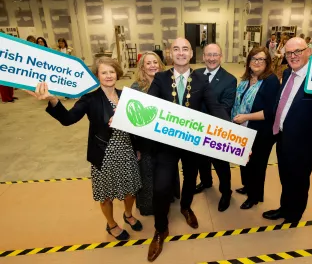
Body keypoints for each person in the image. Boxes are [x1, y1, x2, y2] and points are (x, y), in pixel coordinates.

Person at [26, 57, 143, 241]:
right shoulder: (90, 99)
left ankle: (128, 214)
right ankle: (111, 224)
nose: (108, 75)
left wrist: (137, 147)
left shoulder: (126, 95)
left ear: (118, 73)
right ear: (97, 75)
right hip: (103, 154)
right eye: (104, 72)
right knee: (105, 196)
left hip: (126, 150)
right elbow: (68, 119)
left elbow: (137, 123)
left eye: (111, 71)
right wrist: (53, 100)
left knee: (130, 190)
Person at [147, 38, 229, 262]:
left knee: (190, 178)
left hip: (192, 142)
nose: (181, 53)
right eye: (176, 49)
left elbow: (215, 108)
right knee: (161, 187)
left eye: (185, 49)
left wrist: (236, 139)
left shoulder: (202, 80)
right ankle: (160, 228)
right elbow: (148, 104)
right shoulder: (161, 78)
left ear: (191, 54)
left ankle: (185, 207)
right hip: (165, 143)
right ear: (170, 53)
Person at [262, 38, 312, 224]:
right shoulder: (288, 72)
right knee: (285, 179)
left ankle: (293, 216)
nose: (293, 56)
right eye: (289, 53)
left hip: (303, 147)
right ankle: (284, 208)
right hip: (283, 140)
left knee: (298, 183)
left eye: (298, 51)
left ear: (309, 51)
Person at [130, 51, 179, 216]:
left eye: (155, 62)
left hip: (166, 137)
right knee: (148, 172)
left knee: (166, 170)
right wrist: (135, 146)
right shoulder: (136, 88)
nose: (152, 66)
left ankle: (167, 199)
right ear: (142, 67)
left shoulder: (169, 83)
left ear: (160, 64)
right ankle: (148, 205)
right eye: (148, 63)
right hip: (145, 141)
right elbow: (132, 119)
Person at [232, 46, 280, 209]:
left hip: (261, 131)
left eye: (261, 59)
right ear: (248, 61)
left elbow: (270, 112)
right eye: (254, 59)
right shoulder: (246, 78)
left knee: (257, 165)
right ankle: (247, 186)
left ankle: (254, 196)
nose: (257, 62)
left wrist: (245, 117)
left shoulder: (271, 81)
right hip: (244, 128)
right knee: (244, 160)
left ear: (267, 62)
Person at [194, 43, 237, 212]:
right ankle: (206, 181)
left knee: (221, 165)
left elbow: (225, 106)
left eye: (215, 55)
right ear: (203, 57)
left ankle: (226, 192)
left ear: (221, 57)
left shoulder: (229, 79)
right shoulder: (195, 74)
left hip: (216, 130)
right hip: (196, 128)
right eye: (208, 55)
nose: (211, 58)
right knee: (201, 160)